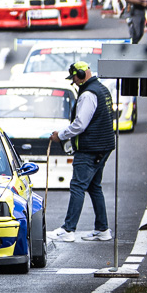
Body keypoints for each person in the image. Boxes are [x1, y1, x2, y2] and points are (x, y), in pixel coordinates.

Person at [49, 61, 115, 241]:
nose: (74, 82)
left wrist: (60, 135)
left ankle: (68, 230)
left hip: (90, 148)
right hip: (103, 146)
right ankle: (102, 229)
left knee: (77, 186)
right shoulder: (102, 89)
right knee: (94, 187)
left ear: (81, 74)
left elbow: (80, 124)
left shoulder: (88, 94)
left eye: (74, 78)